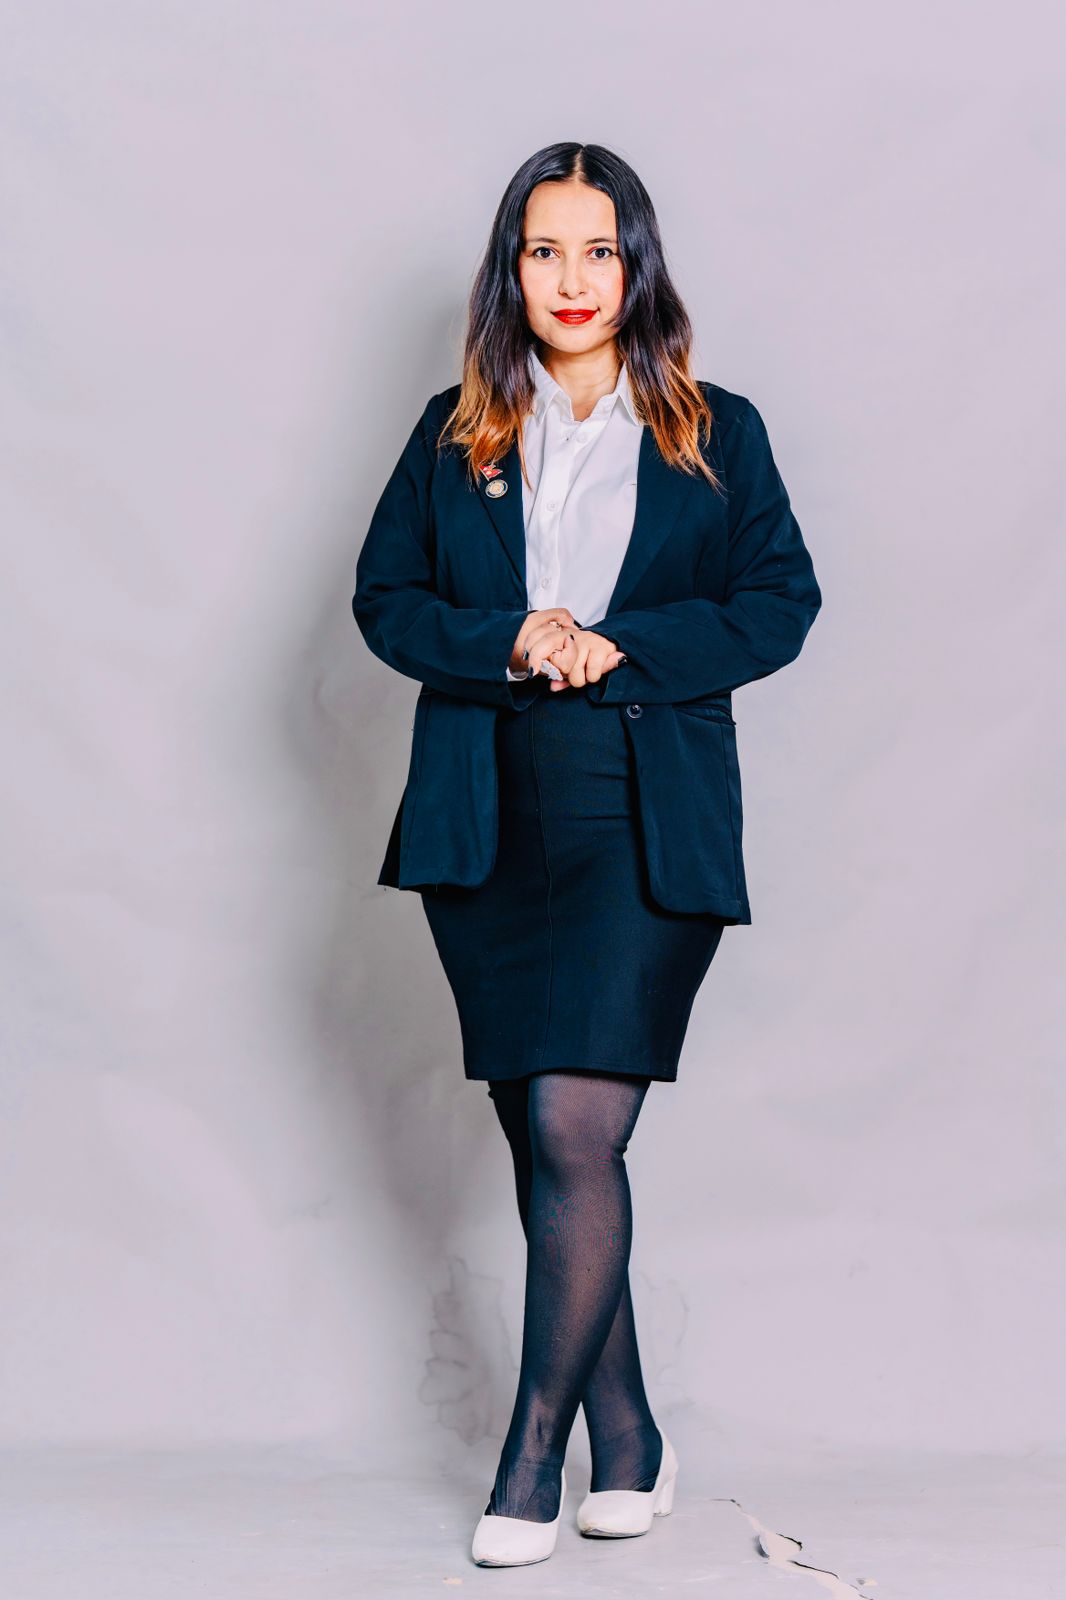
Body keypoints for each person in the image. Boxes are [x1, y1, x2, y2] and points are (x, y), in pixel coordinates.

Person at [352, 141, 821, 1568]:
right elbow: (386, 600)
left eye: (599, 250)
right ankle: (631, 1438)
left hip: (640, 803)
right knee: (540, 1136)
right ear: (512, 270)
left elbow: (779, 602)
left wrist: (620, 646)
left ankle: (529, 1458)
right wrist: (508, 637)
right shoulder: (454, 433)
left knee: (573, 1129)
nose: (572, 278)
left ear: (637, 268)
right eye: (544, 250)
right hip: (488, 811)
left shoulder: (714, 431)